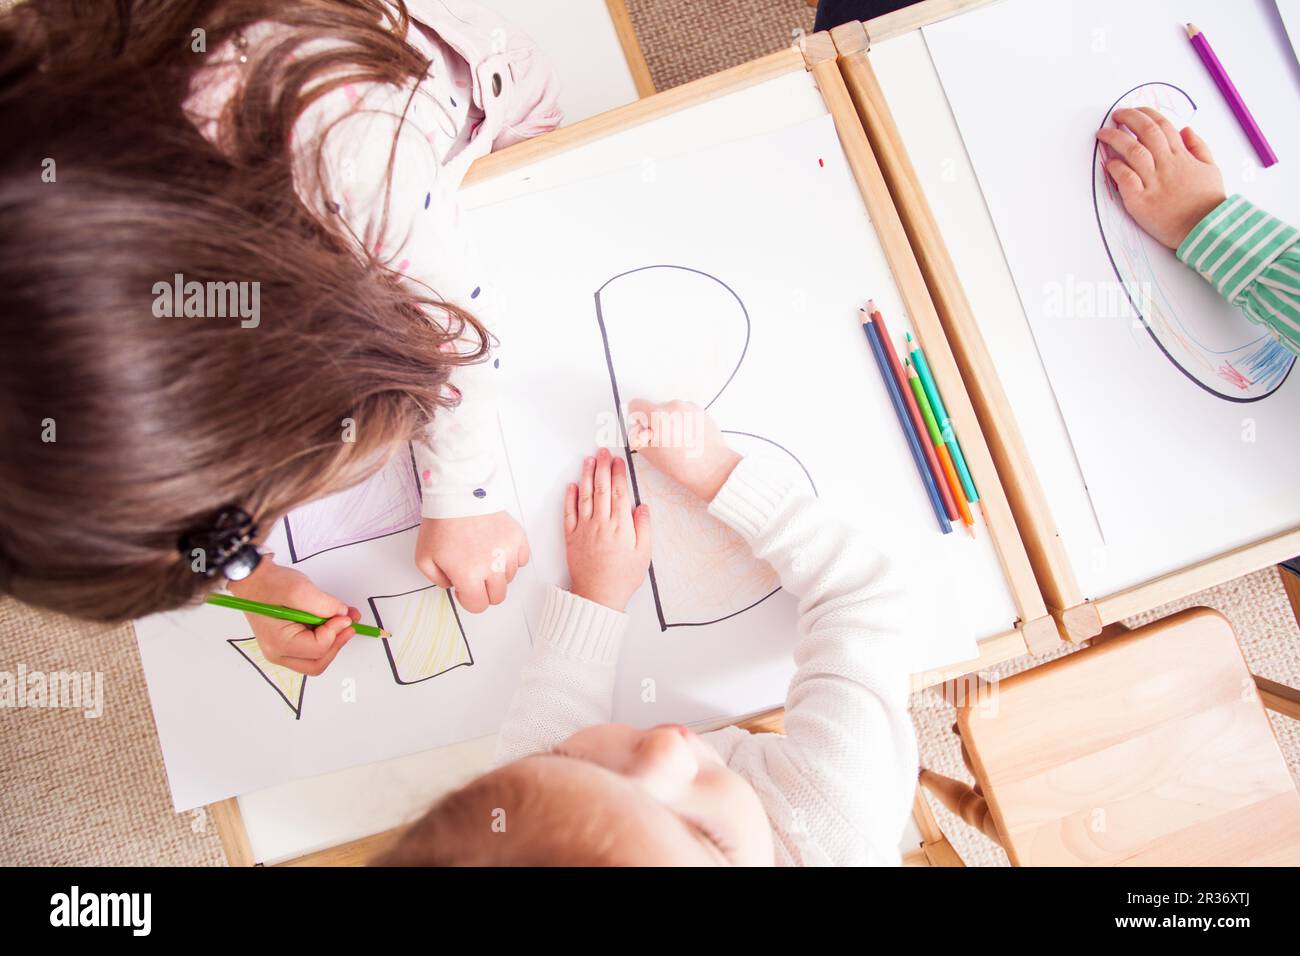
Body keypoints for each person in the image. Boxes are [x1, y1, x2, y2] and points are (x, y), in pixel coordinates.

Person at [378, 400, 918, 866]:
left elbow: (539, 747)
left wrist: (598, 594)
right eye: (704, 834)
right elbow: (861, 598)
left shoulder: (514, 829)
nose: (664, 745)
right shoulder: (839, 823)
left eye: (577, 764)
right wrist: (719, 470)